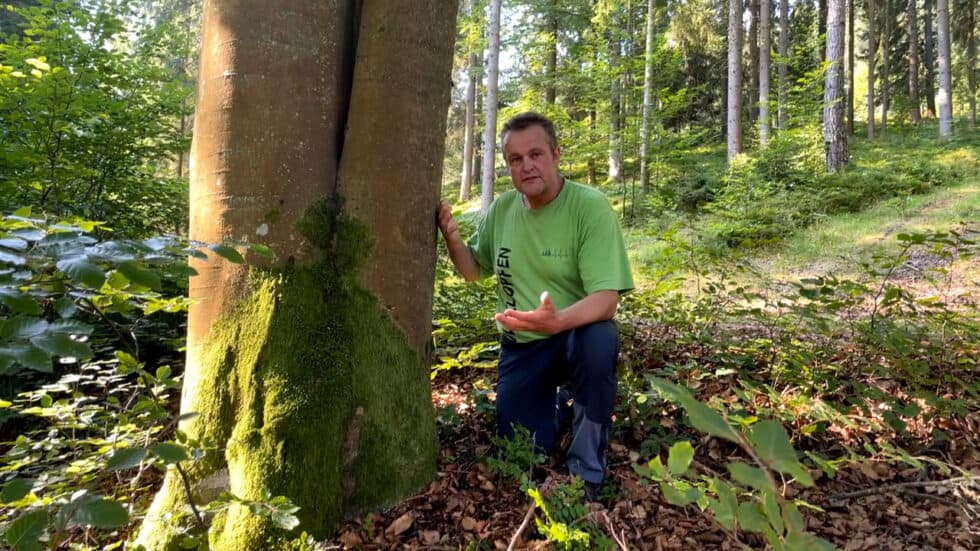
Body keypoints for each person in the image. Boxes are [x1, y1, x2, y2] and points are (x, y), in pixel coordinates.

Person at [438, 112, 634, 498]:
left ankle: (587, 470)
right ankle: (561, 404)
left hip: (575, 333)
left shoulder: (588, 207)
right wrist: (452, 238)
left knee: (599, 340)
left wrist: (558, 320)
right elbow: (475, 269)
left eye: (535, 154)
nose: (526, 165)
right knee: (522, 453)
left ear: (555, 154)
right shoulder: (504, 210)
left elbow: (606, 300)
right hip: (523, 346)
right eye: (515, 159)